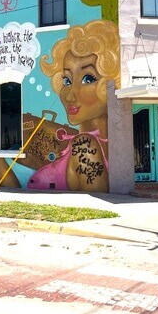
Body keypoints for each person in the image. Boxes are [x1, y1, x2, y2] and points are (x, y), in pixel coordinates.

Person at [28, 20, 121, 192]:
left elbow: (97, 204)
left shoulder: (84, 146)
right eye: (66, 80)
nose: (70, 95)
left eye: (88, 79)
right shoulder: (106, 145)